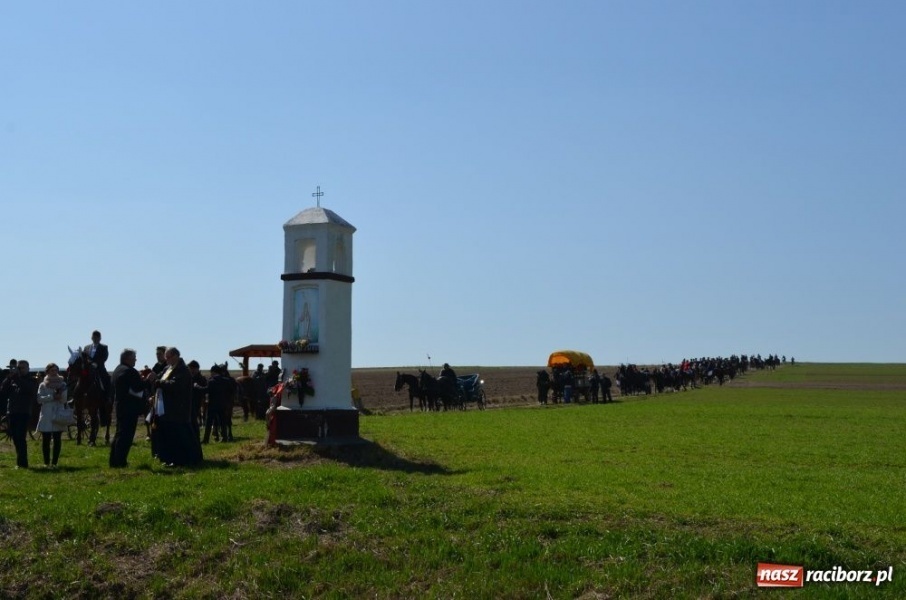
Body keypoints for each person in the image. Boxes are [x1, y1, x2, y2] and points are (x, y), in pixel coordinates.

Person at [148, 347, 203, 467]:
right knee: (169, 436)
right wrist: (153, 379)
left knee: (182, 436)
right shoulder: (167, 368)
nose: (166, 360)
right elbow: (159, 379)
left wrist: (158, 382)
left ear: (175, 356)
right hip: (166, 409)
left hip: (179, 409)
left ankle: (186, 460)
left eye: (168, 357)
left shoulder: (183, 370)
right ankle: (168, 458)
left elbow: (175, 385)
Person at [109, 349, 147, 468]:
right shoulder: (129, 371)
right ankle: (121, 461)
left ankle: (114, 460)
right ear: (127, 358)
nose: (136, 359)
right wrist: (148, 380)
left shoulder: (117, 370)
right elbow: (137, 388)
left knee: (119, 434)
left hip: (120, 406)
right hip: (130, 408)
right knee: (126, 436)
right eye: (134, 357)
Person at [1, 360, 37, 468]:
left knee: (21, 437)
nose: (20, 370)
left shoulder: (31, 380)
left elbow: (28, 389)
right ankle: (20, 462)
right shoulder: (12, 379)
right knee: (15, 437)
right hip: (12, 412)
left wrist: (16, 378)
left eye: (23, 368)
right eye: (19, 368)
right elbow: (2, 391)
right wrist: (8, 378)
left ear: (28, 369)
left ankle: (23, 463)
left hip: (24, 412)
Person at [35, 363, 68, 468]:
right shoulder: (43, 385)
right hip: (47, 414)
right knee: (46, 440)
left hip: (58, 412)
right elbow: (39, 399)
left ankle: (54, 463)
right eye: (52, 370)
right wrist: (52, 396)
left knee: (57, 439)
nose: (54, 372)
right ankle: (46, 462)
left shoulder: (62, 384)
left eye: (56, 370)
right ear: (48, 371)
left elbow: (64, 399)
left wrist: (60, 397)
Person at [203, 364, 230, 444]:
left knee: (209, 423)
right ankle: (224, 438)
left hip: (213, 405)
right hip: (223, 404)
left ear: (214, 372)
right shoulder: (226, 380)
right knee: (223, 422)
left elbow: (206, 390)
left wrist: (197, 386)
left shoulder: (211, 381)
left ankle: (206, 439)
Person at [87, 330, 112, 401]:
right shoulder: (86, 347)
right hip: (88, 369)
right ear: (91, 338)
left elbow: (105, 357)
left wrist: (97, 363)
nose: (95, 339)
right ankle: (75, 397)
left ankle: (107, 396)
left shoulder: (104, 347)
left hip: (99, 368)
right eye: (94, 337)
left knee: (107, 379)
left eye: (97, 337)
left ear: (100, 338)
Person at [187, 360, 207, 439]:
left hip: (197, 401)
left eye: (192, 368)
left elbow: (204, 390)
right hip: (189, 401)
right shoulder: (189, 377)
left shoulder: (201, 378)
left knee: (194, 420)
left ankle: (195, 436)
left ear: (196, 369)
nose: (191, 370)